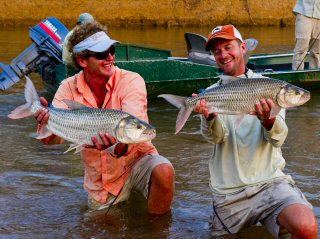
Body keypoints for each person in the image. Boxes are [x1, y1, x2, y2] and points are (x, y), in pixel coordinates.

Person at [34, 21, 175, 216]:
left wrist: (117, 147)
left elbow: (135, 131)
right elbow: (53, 140)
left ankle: (158, 228)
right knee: (103, 229)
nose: (110, 57)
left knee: (164, 171)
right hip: (100, 180)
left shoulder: (132, 80)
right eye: (101, 53)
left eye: (111, 50)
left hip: (137, 160)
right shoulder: (67, 87)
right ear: (82, 60)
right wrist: (45, 120)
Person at [194, 24, 318, 238]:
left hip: (271, 184)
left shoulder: (272, 86)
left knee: (306, 226)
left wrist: (268, 122)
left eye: (228, 47)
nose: (223, 55)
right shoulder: (211, 94)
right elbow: (216, 138)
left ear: (242, 48)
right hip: (229, 193)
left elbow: (278, 140)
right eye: (217, 51)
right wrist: (210, 117)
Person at [292, 0, 320, 70]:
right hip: (304, 12)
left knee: (317, 52)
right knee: (301, 49)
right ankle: (297, 74)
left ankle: (314, 76)